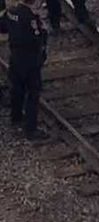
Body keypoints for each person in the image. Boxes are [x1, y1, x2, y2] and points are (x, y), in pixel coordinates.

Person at [6, 0, 47, 140]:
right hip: (29, 60)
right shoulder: (30, 17)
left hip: (15, 56)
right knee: (33, 93)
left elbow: (3, 27)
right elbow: (36, 37)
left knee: (17, 89)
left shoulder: (12, 11)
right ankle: (31, 128)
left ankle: (16, 117)